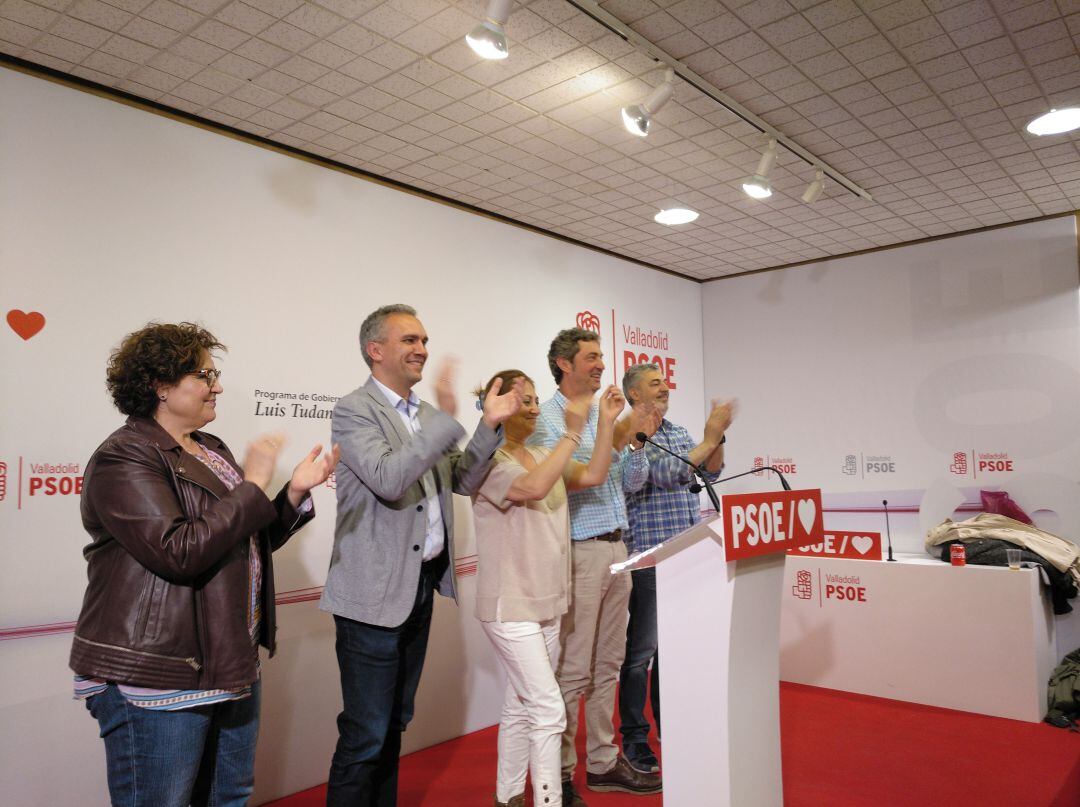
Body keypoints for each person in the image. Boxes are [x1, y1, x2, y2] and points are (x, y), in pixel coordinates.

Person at [71, 321, 337, 807]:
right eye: (203, 374)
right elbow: (179, 551)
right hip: (159, 670)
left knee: (228, 796)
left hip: (228, 661)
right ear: (160, 386)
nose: (217, 386)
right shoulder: (123, 456)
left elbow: (239, 541)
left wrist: (292, 493)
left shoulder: (211, 450)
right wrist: (252, 488)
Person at [321, 304, 523, 806]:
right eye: (410, 340)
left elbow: (463, 479)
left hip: (420, 586)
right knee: (366, 731)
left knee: (394, 724)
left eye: (425, 340)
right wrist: (446, 421)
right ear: (376, 350)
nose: (422, 350)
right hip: (371, 595)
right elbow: (390, 478)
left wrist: (487, 427)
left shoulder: (428, 416)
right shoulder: (353, 410)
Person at [472, 370, 625, 807]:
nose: (536, 407)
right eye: (525, 400)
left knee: (521, 705)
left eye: (537, 399)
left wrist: (608, 423)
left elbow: (595, 475)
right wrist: (573, 433)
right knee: (547, 709)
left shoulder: (544, 451)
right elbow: (533, 487)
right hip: (510, 605)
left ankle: (507, 798)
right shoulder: (489, 464)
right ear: (497, 407)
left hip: (548, 603)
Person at [529, 328, 663, 805]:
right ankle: (560, 774)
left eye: (601, 356)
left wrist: (633, 434)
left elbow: (621, 482)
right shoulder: (547, 418)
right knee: (573, 669)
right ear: (564, 364)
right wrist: (613, 428)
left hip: (617, 547)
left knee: (609, 663)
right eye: (590, 358)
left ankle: (604, 763)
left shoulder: (602, 413)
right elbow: (580, 480)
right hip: (579, 552)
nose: (600, 365)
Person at [618, 363, 734, 774]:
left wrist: (715, 438)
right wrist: (708, 438)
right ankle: (634, 738)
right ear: (634, 396)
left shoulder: (680, 432)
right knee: (640, 655)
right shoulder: (626, 435)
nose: (664, 388)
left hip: (686, 556)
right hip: (650, 559)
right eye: (654, 384)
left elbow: (710, 469)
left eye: (664, 382)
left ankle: (672, 725)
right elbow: (670, 473)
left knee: (672, 651)